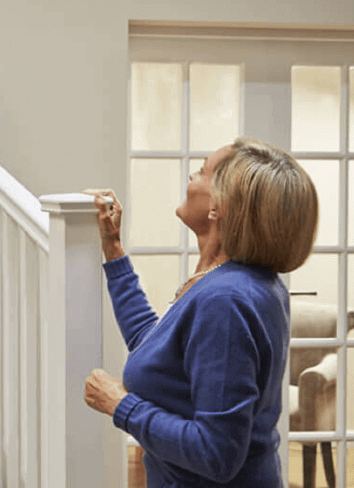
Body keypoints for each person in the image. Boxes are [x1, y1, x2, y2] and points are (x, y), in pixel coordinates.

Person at [84, 138, 318, 487]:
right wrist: (113, 248)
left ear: (219, 206)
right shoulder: (232, 282)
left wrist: (120, 404)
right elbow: (152, 347)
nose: (191, 176)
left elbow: (216, 452)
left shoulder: (226, 300)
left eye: (203, 170)